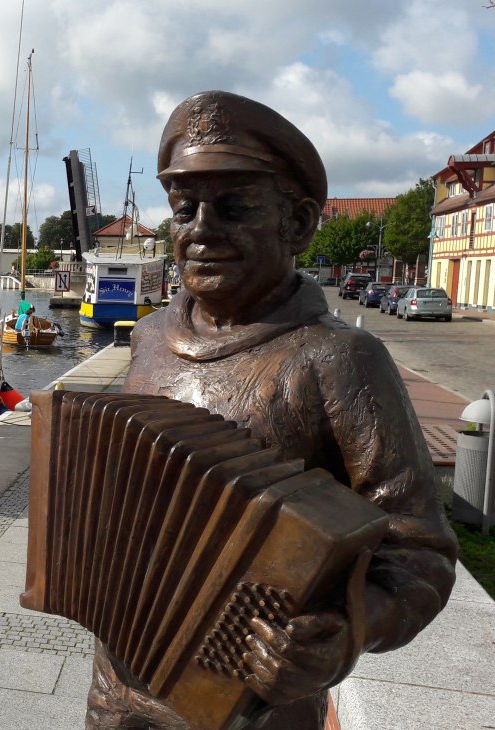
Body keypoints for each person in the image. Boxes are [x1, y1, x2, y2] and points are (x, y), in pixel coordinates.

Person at [86, 91, 457, 729]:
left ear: (300, 224)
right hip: (118, 687)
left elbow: (420, 551)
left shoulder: (338, 359)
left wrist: (346, 634)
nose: (201, 230)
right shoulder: (148, 339)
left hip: (250, 708)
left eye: (233, 207)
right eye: (184, 209)